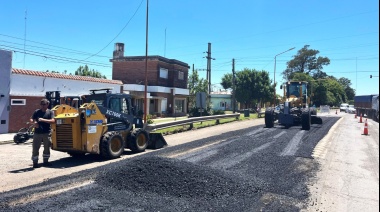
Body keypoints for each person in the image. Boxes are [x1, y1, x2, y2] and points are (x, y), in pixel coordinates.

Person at [30, 99, 55, 168]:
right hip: (37, 133)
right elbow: (32, 119)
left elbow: (53, 121)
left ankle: (46, 161)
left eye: (44, 104)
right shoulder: (37, 112)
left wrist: (43, 120)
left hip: (46, 132)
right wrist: (34, 122)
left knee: (47, 147)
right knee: (35, 148)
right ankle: (35, 162)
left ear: (47, 104)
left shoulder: (50, 112)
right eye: (41, 104)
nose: (42, 106)